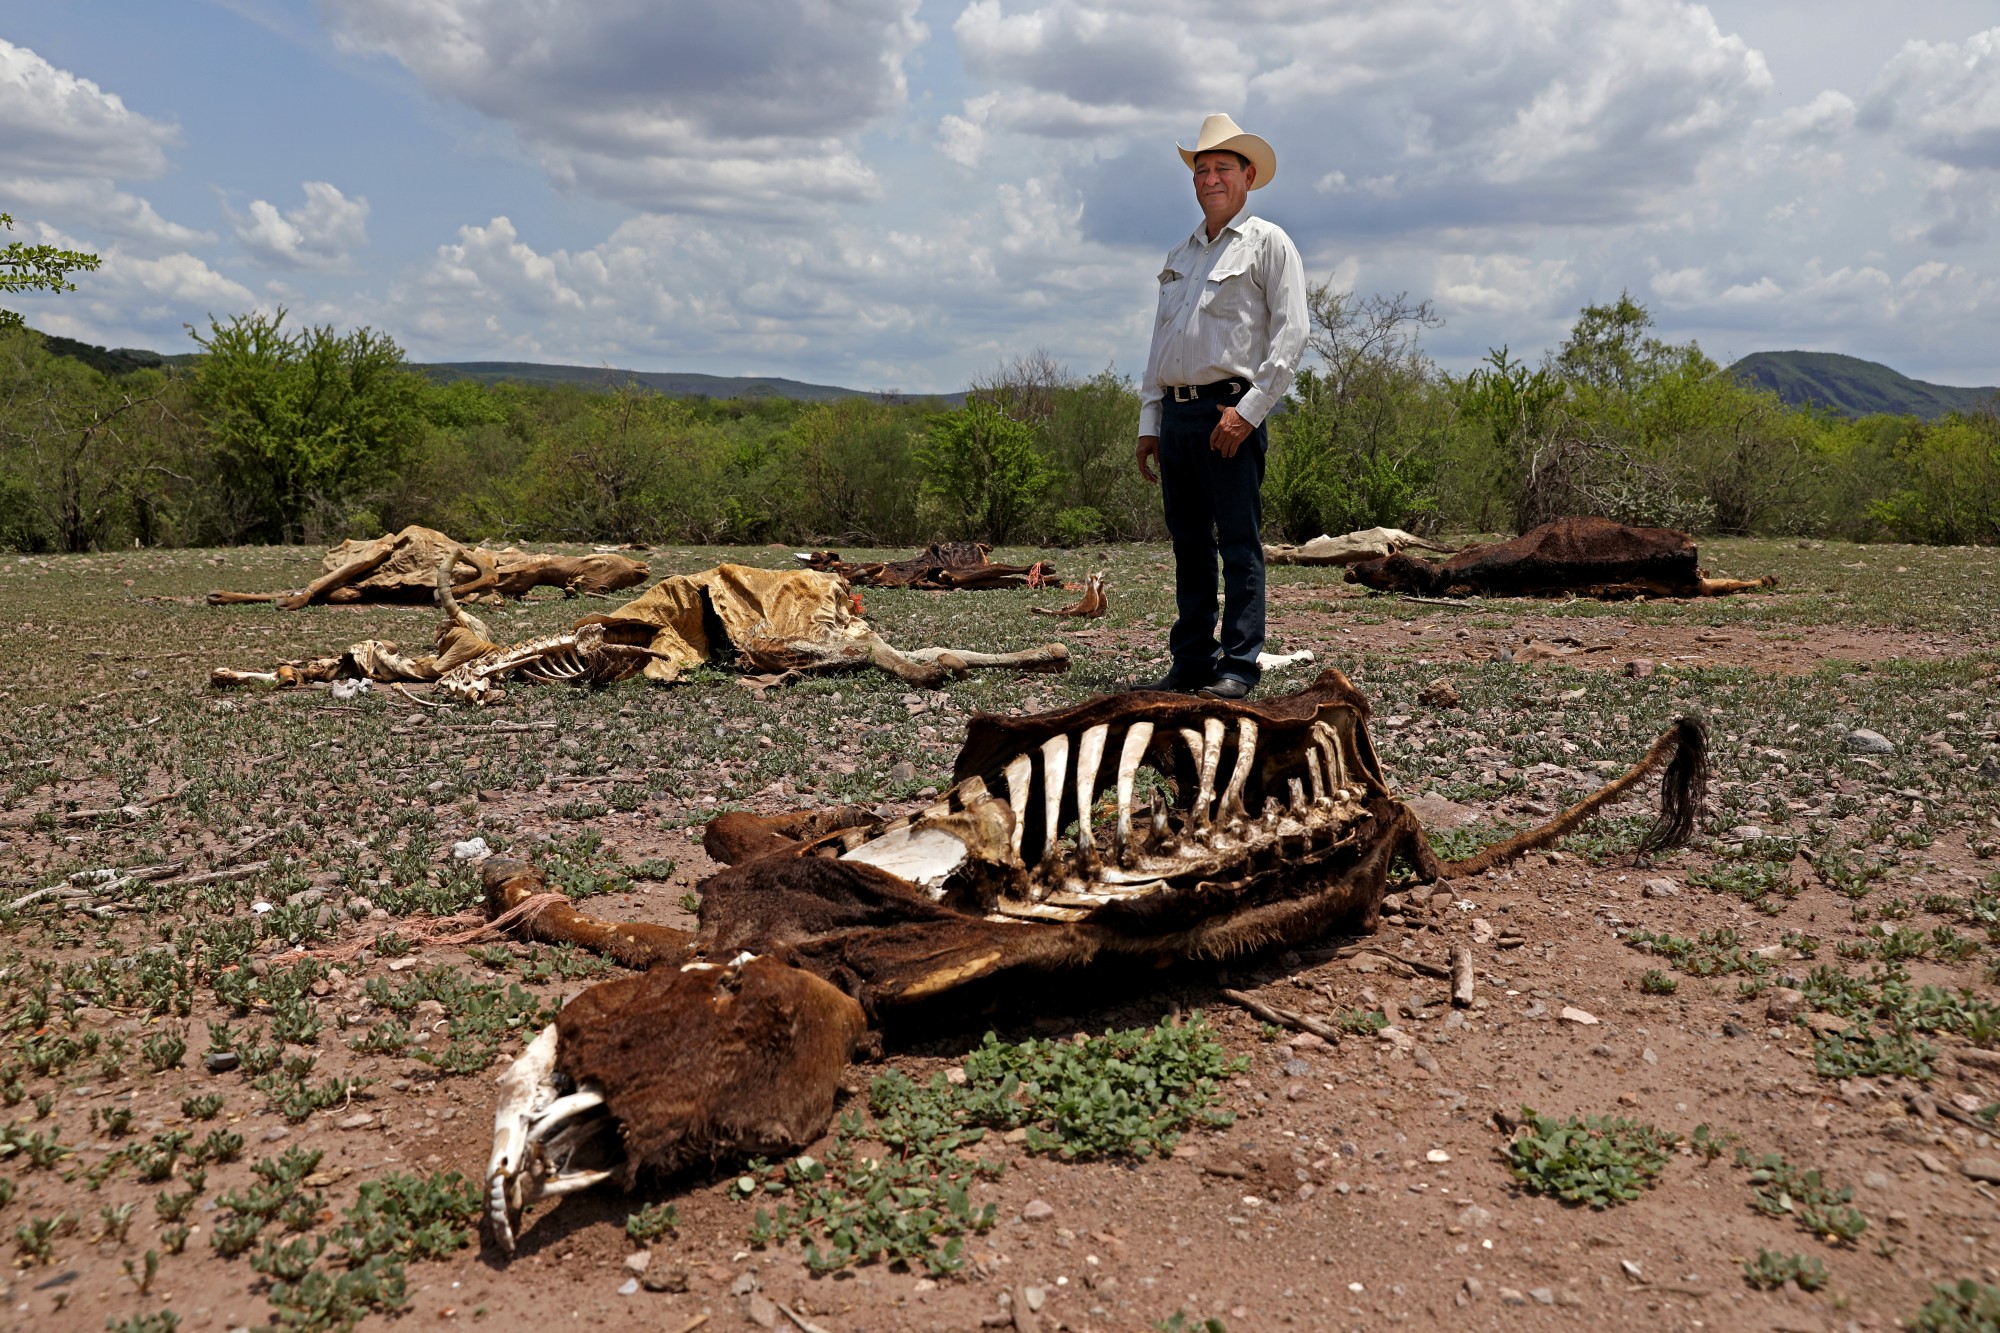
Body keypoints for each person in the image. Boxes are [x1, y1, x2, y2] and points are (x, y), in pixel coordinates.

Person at [1134, 113, 1307, 700]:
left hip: (1229, 413)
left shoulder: (1269, 243)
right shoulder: (1179, 254)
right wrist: (1149, 421)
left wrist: (1249, 412)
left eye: (1222, 168)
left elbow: (1292, 336)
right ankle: (1191, 660)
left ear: (1248, 176)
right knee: (1188, 545)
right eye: (1202, 169)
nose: (1210, 178)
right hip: (1178, 415)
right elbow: (1161, 341)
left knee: (1238, 542)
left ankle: (1239, 663)